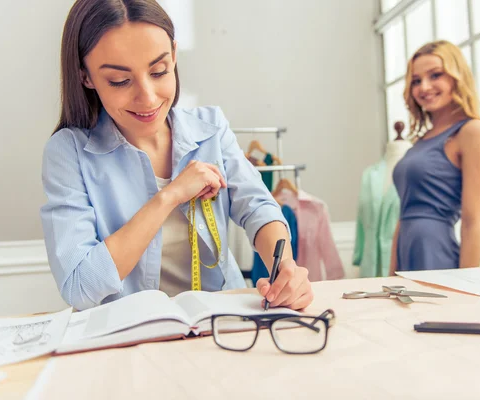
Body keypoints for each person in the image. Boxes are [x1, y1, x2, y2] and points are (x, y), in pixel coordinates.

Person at [41, 0, 313, 311]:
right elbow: (80, 286)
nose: (148, 97)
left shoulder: (211, 128)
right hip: (130, 340)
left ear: (173, 55)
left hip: (222, 321)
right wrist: (169, 196)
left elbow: (257, 207)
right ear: (85, 76)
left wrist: (285, 269)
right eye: (120, 80)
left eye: (158, 71)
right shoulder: (69, 153)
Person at [389, 40, 480, 273]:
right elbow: (403, 214)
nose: (424, 87)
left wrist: (467, 286)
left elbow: (473, 220)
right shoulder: (421, 140)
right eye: (416, 80)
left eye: (435, 75)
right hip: (407, 247)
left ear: (457, 77)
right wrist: (390, 274)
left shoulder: (472, 131)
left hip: (434, 251)